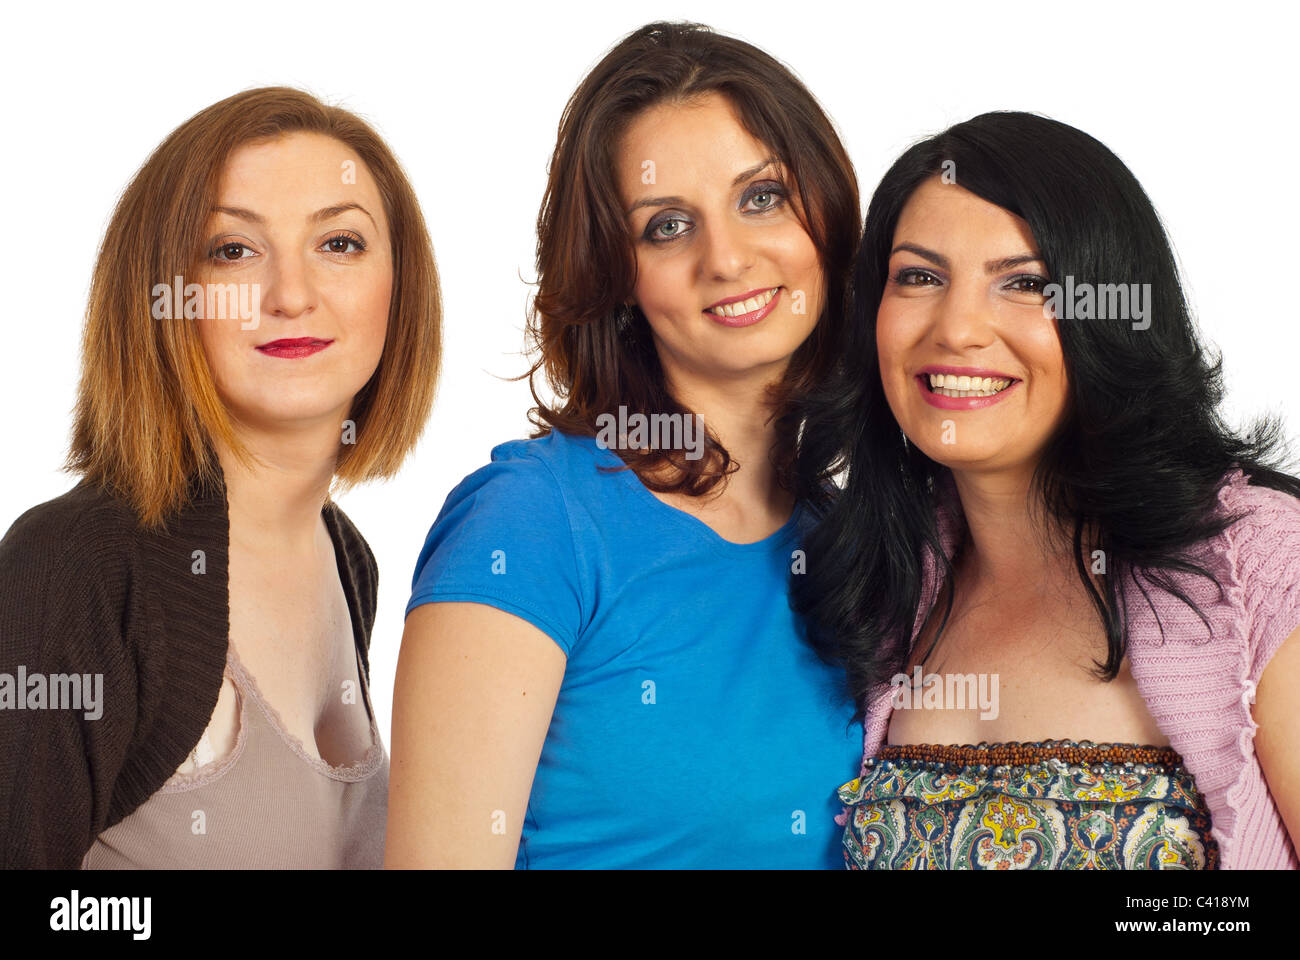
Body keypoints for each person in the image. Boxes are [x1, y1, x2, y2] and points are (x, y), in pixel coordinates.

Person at [385, 21, 863, 868]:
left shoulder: (851, 539)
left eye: (762, 198)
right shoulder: (532, 524)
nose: (729, 257)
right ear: (615, 277)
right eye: (668, 226)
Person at [792, 111, 1300, 870]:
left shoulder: (1256, 562)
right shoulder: (884, 589)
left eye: (1025, 283)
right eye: (920, 277)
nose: (958, 328)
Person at [0, 86, 442, 868]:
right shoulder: (78, 565)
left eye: (339, 244)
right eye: (233, 251)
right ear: (163, 296)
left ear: (400, 288)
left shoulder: (348, 560)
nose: (291, 295)